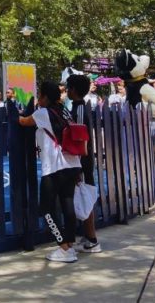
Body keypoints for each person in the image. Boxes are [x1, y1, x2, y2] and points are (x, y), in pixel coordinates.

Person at [18, 80, 82, 263]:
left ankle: (62, 246)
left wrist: (16, 112)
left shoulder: (43, 113)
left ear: (45, 96)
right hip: (72, 162)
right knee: (67, 203)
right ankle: (69, 244)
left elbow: (23, 122)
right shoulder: (65, 111)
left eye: (40, 95)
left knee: (46, 208)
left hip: (55, 166)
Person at [65, 74, 102, 253]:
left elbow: (79, 138)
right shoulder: (78, 107)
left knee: (84, 198)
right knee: (83, 197)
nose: (66, 90)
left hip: (81, 163)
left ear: (73, 89)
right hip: (82, 162)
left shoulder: (79, 109)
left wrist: (77, 167)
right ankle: (88, 237)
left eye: (68, 87)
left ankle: (92, 239)